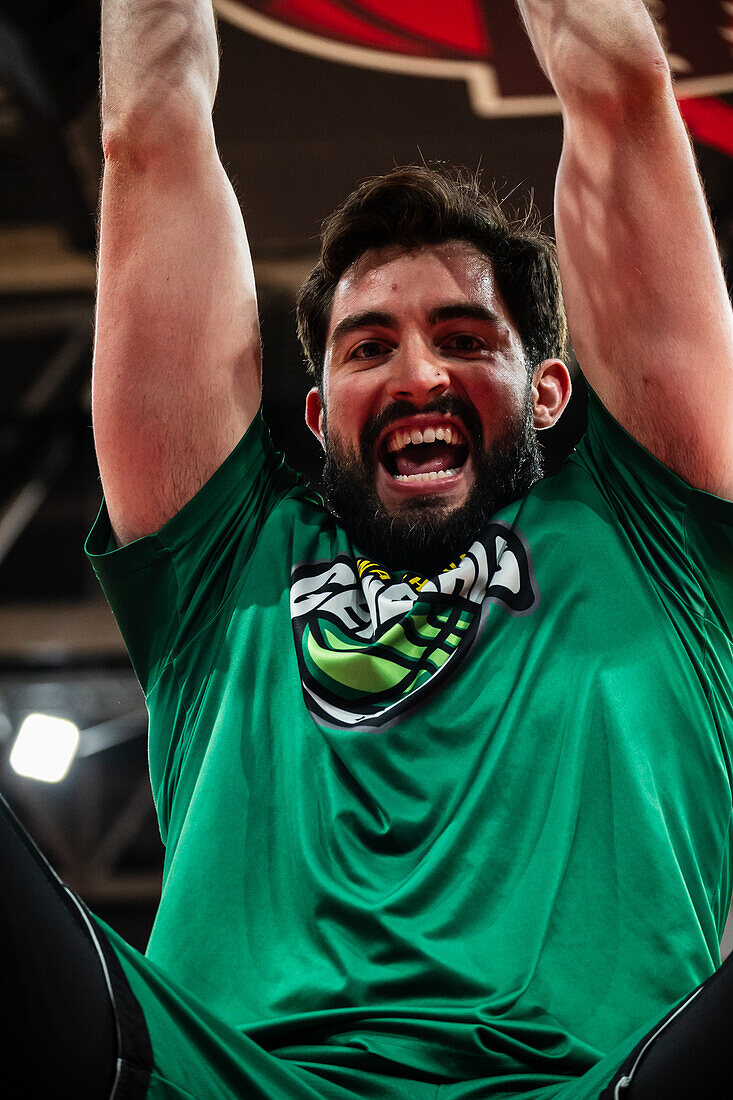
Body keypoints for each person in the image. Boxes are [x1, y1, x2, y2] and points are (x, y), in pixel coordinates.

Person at [1, 0, 732, 1097]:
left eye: (463, 337)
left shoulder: (655, 532)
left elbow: (620, 95)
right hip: (222, 1079)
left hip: (599, 1082)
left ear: (548, 390)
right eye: (368, 344)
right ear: (318, 412)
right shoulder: (225, 562)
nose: (418, 374)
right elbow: (147, 132)